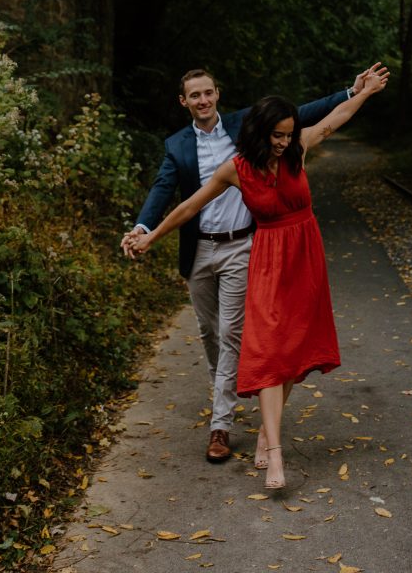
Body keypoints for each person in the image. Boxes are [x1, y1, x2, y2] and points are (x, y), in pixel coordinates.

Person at [122, 63, 389, 489]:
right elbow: (189, 205)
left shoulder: (297, 145)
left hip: (302, 255)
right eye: (277, 135)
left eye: (288, 134)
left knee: (285, 343)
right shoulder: (235, 167)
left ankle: (264, 432)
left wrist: (364, 93)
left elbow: (332, 117)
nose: (284, 141)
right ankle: (266, 440)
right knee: (261, 346)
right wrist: (150, 235)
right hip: (265, 256)